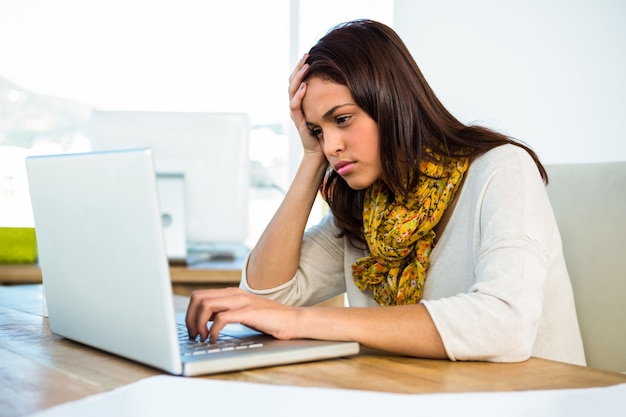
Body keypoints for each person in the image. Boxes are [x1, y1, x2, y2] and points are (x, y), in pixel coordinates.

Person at [186, 19, 586, 365]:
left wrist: (304, 323)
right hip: (419, 396)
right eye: (318, 131)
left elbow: (505, 324)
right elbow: (269, 294)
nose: (331, 146)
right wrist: (310, 159)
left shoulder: (501, 169)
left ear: (391, 101)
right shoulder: (366, 205)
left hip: (529, 400)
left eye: (342, 120)